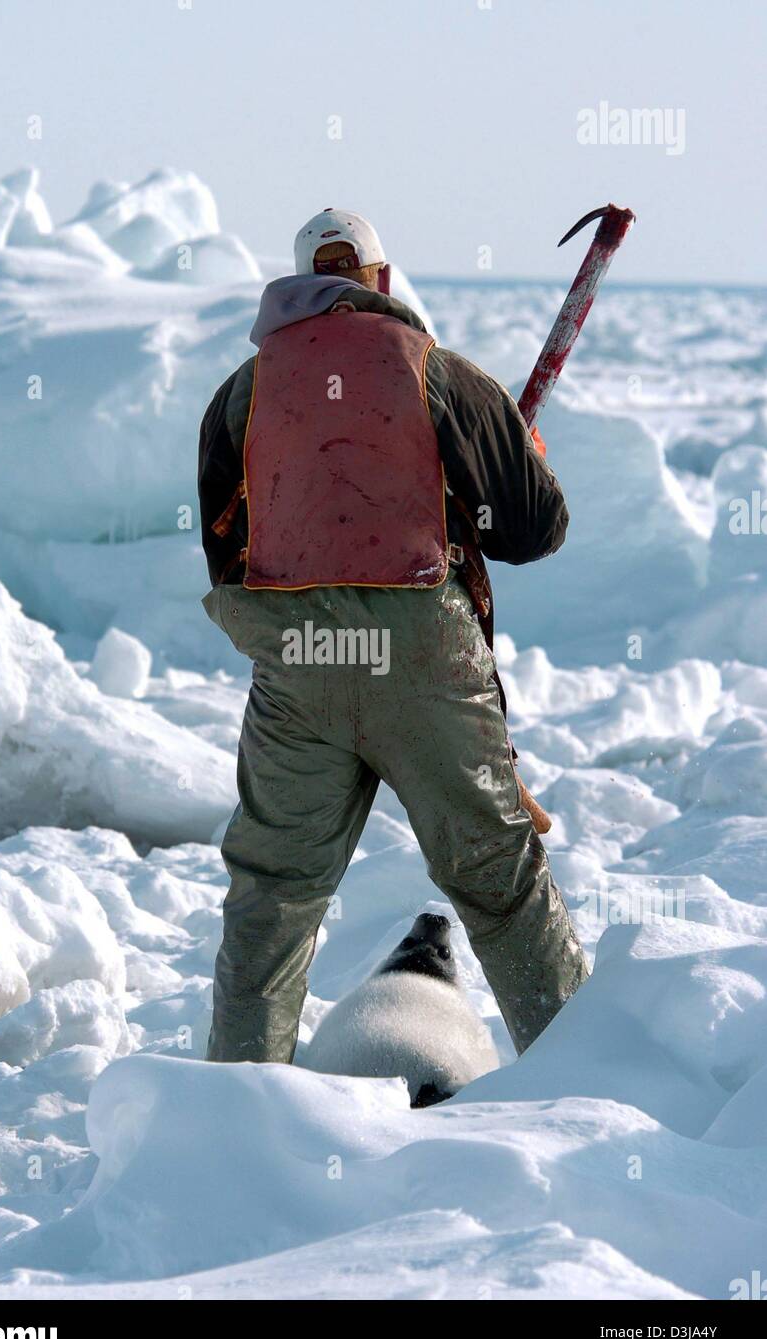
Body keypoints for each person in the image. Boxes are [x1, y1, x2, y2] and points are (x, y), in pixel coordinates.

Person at [198, 207, 588, 1065]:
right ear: (378, 279)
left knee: (272, 899)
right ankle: (583, 1093)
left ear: (295, 287)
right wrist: (517, 459)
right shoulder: (438, 372)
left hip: (296, 662)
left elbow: (225, 553)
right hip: (423, 656)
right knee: (499, 884)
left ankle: (232, 1114)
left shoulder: (242, 393)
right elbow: (530, 530)